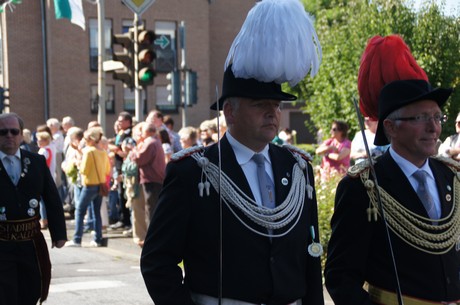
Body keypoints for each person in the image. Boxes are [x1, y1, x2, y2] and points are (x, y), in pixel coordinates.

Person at [140, 0, 324, 304]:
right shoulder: (193, 171)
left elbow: (310, 257)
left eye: (276, 105)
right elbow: (158, 261)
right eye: (259, 104)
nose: (272, 113)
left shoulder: (297, 168)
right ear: (229, 111)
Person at [324, 79, 460, 305]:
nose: (433, 127)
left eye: (437, 117)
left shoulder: (451, 177)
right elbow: (341, 277)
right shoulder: (364, 186)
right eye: (420, 118)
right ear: (390, 127)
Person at [0, 112, 67, 305]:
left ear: (21, 135)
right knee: (5, 293)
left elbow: (51, 198)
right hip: (1, 244)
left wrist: (59, 233)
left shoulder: (36, 162)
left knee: (31, 289)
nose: (9, 136)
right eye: (3, 132)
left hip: (30, 242)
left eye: (14, 131)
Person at [66, 126, 110, 247]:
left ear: (91, 139)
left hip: (89, 185)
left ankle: (77, 239)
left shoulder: (89, 151)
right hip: (100, 185)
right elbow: (107, 170)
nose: (84, 141)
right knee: (96, 213)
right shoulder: (102, 152)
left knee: (80, 211)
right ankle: (97, 239)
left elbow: (84, 170)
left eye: (86, 139)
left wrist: (78, 162)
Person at [131, 122, 166, 223]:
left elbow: (140, 159)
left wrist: (133, 151)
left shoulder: (150, 142)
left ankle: (152, 236)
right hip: (156, 179)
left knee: (151, 209)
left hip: (151, 179)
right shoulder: (156, 141)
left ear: (146, 131)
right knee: (153, 208)